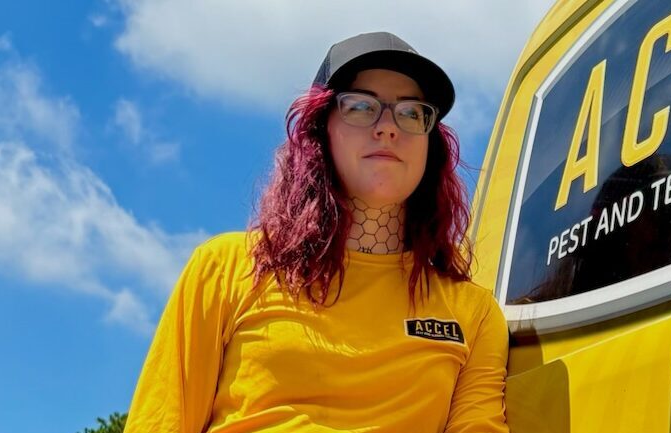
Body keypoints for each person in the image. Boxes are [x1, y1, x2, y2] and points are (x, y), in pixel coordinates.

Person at [124, 32, 509, 432]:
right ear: (319, 131)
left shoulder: (474, 314)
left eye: (412, 113)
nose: (388, 127)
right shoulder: (225, 269)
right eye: (361, 106)